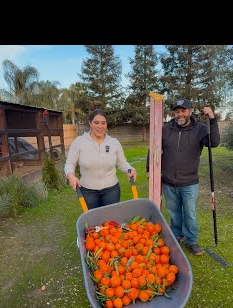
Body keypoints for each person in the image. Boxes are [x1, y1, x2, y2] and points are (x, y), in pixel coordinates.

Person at [147, 98, 220, 255]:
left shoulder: (200, 129)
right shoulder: (166, 129)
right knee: (174, 213)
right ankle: (176, 236)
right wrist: (149, 168)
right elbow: (153, 147)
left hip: (189, 182)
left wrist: (212, 119)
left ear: (190, 112)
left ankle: (191, 241)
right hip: (168, 181)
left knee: (190, 214)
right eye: (177, 111)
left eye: (183, 111)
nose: (180, 114)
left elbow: (214, 142)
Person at [65, 109, 137, 210]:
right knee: (91, 223)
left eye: (103, 123)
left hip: (111, 191)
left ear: (106, 124)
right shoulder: (79, 142)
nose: (100, 126)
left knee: (110, 222)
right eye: (96, 123)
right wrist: (70, 175)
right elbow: (70, 163)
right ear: (90, 123)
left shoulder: (114, 142)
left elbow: (122, 163)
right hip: (87, 191)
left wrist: (130, 169)